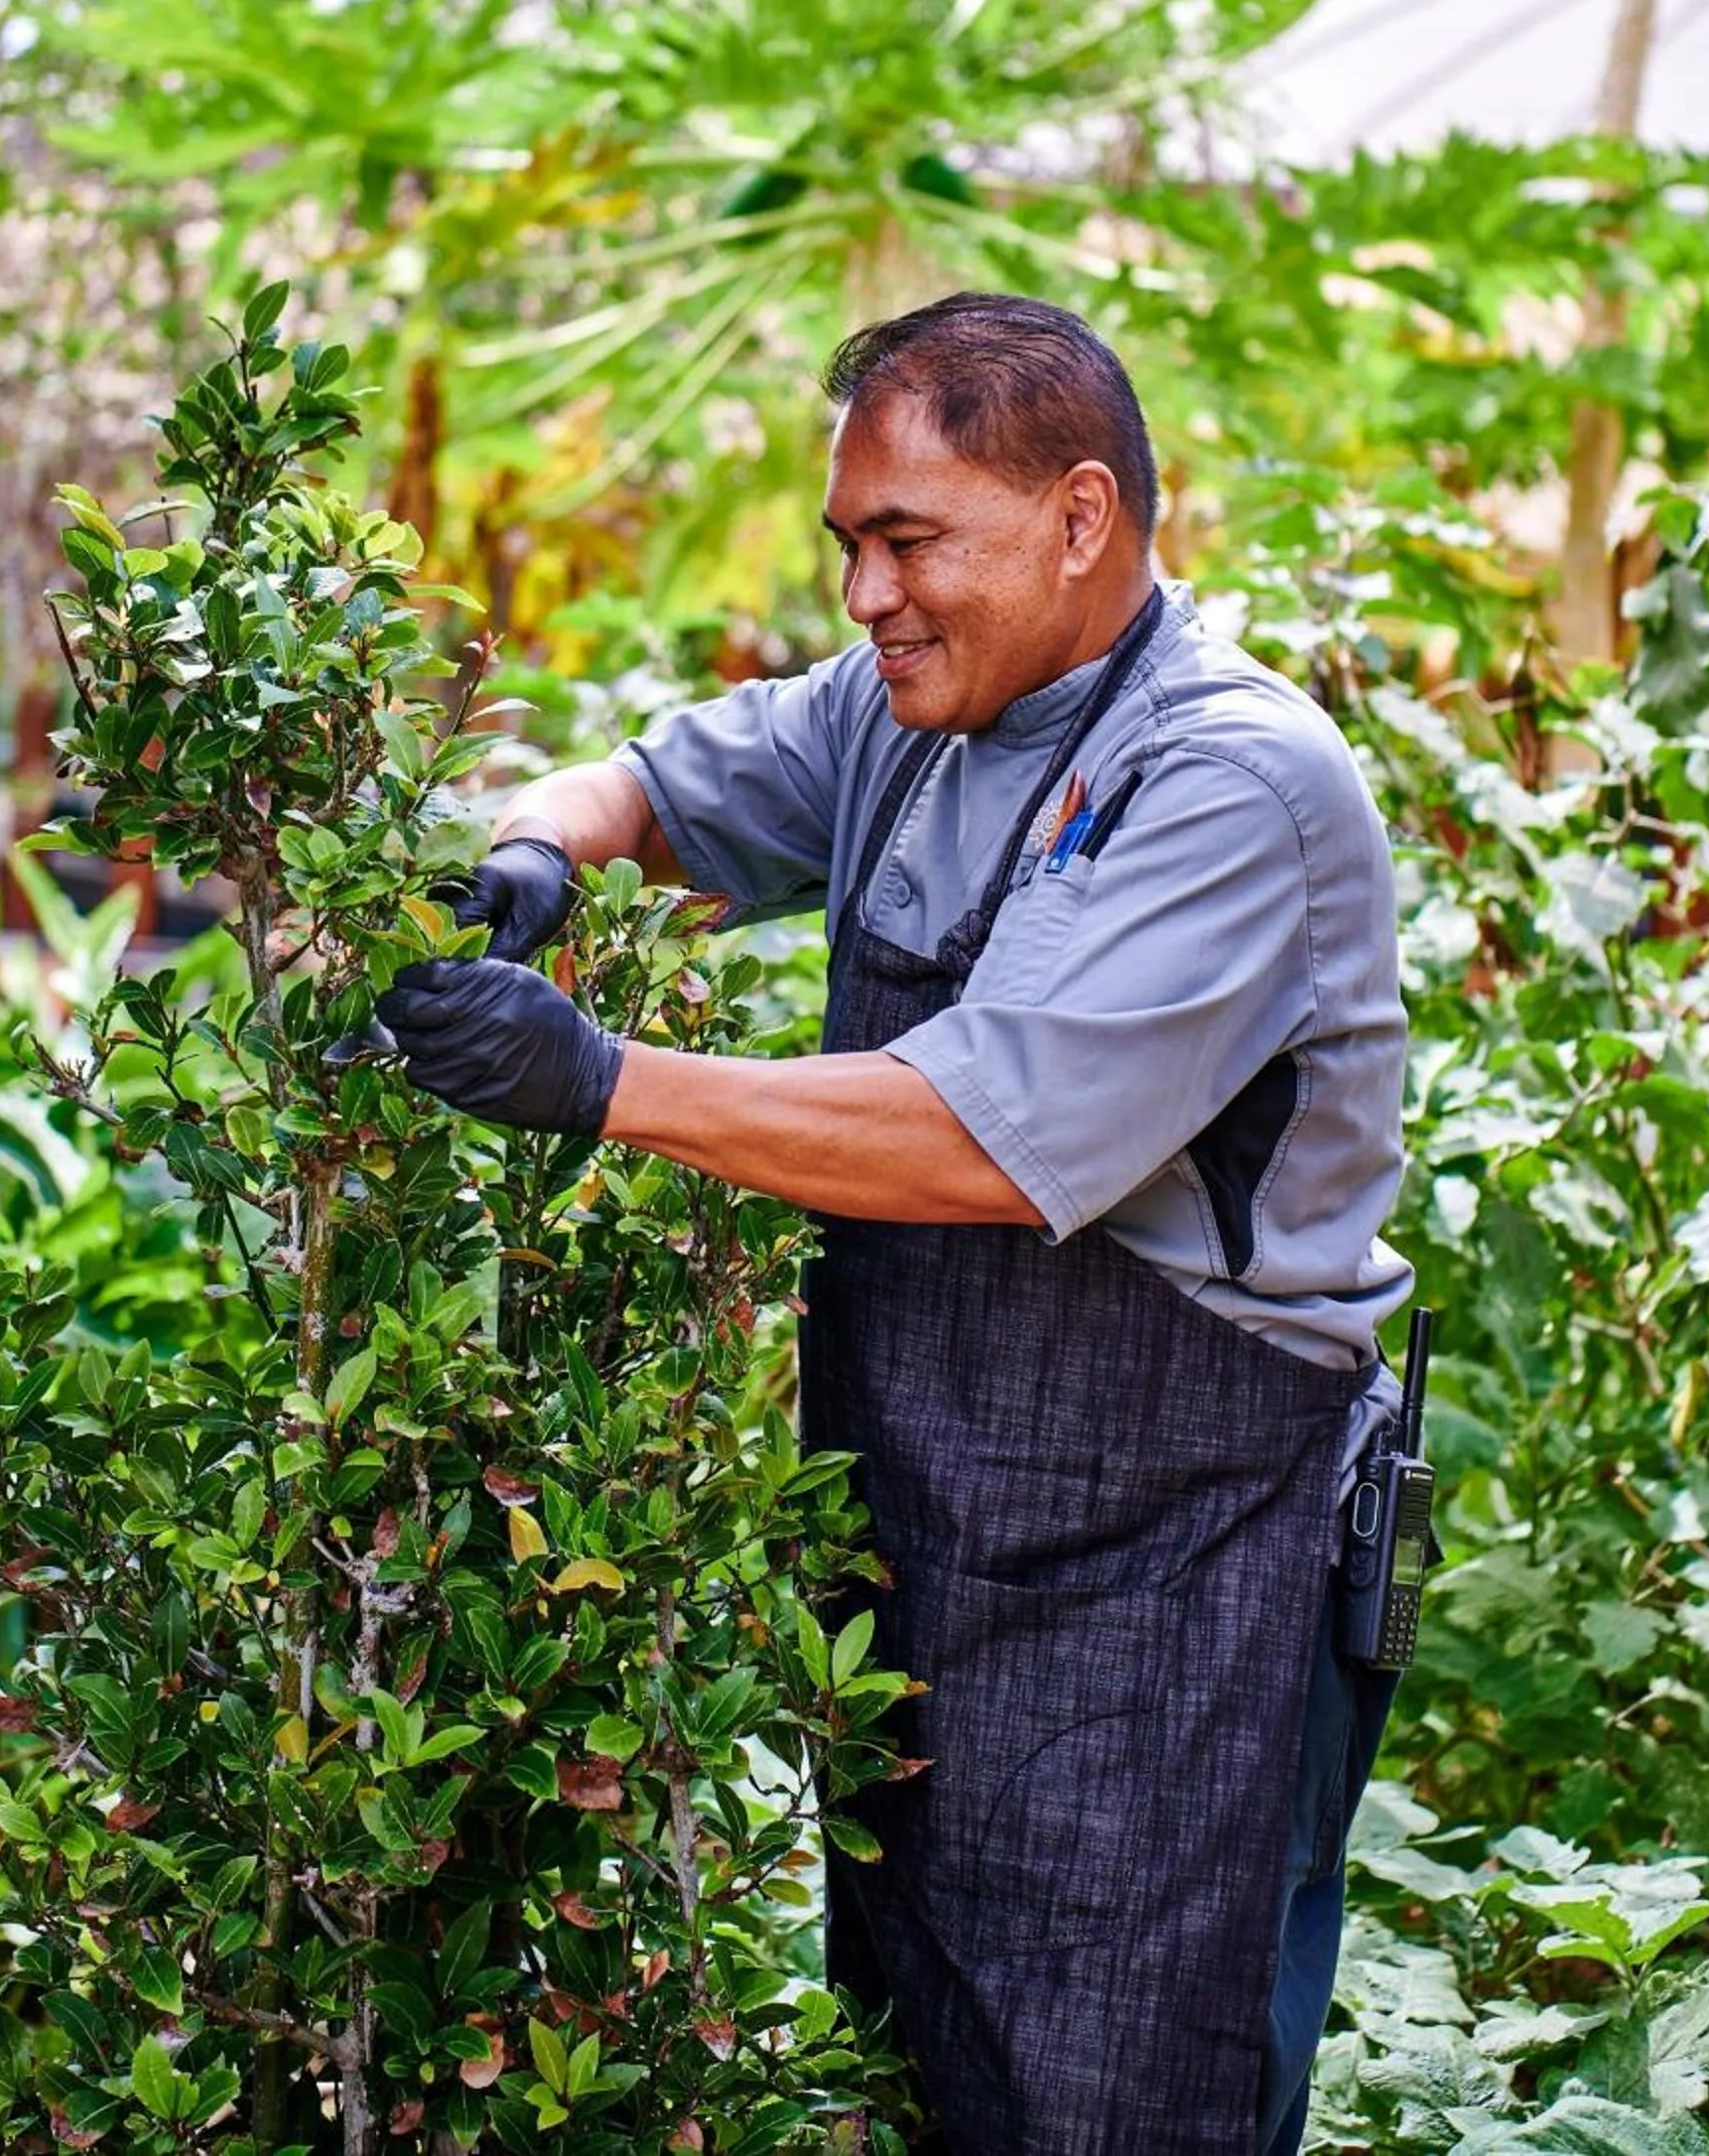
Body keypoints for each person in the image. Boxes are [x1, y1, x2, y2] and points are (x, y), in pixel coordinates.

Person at [365, 294, 1412, 2156]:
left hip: (1182, 1585)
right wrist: (535, 840)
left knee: (1121, 2099)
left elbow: (977, 1140)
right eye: (853, 542)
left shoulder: (1226, 780)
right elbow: (668, 786)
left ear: (1082, 519)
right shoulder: (918, 712)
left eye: (909, 540)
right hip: (938, 1564)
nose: (866, 594)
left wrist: (596, 1077)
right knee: (922, 2074)